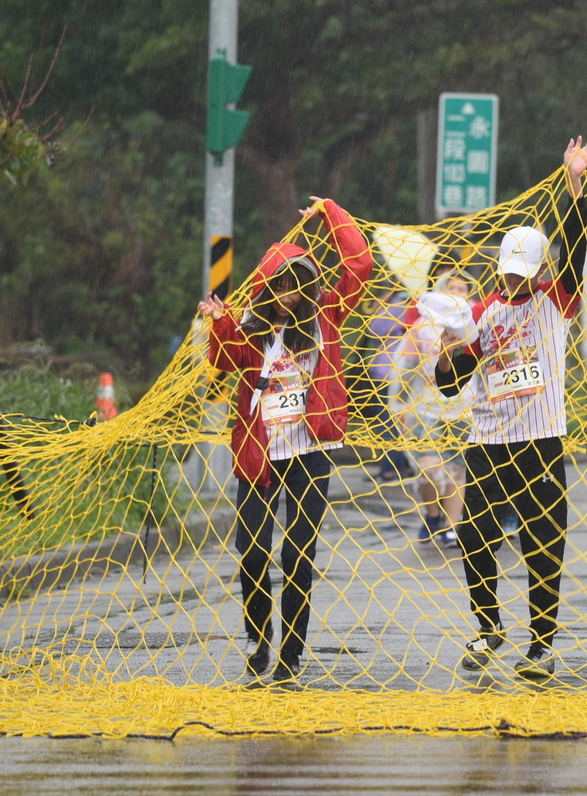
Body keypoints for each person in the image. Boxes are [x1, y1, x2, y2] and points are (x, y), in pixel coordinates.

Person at [435, 134, 587, 680]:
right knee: (476, 536)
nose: (513, 278)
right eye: (508, 269)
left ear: (537, 268)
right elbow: (450, 384)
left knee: (542, 539)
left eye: (522, 269)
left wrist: (575, 185)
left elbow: (575, 254)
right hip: (488, 443)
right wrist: (447, 347)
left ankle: (542, 644)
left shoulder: (557, 299)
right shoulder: (484, 312)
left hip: (541, 441)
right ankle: (488, 629)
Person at [198, 196, 372, 684]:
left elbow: (360, 263)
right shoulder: (251, 331)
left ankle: (291, 653)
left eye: (300, 285)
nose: (291, 295)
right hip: (259, 454)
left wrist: (332, 213)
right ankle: (259, 637)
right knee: (252, 551)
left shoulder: (326, 318)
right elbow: (224, 361)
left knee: (298, 553)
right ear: (268, 287)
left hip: (310, 452)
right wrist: (219, 324)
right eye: (283, 286)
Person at [397, 271, 476, 546]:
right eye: (451, 288)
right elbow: (405, 370)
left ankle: (452, 526)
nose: (457, 293)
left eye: (462, 289)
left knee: (457, 469)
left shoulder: (475, 325)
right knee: (428, 468)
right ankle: (432, 515)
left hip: (464, 410)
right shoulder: (422, 325)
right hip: (426, 409)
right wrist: (400, 405)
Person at [359, 284, 416, 483]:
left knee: (386, 419)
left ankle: (389, 468)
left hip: (388, 370)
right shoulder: (416, 304)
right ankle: (404, 465)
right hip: (406, 370)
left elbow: (374, 329)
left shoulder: (398, 304)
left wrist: (381, 307)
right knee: (400, 419)